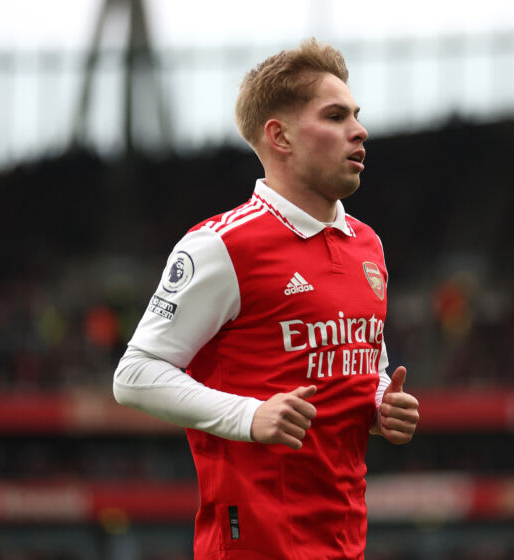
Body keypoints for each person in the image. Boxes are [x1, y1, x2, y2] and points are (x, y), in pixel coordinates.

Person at [113, 38, 420, 559]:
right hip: (253, 542)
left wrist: (378, 404)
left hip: (346, 538)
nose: (359, 129)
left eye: (357, 114)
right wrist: (249, 416)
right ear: (280, 137)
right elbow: (134, 374)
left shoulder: (369, 245)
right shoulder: (221, 246)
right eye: (335, 115)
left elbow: (367, 365)